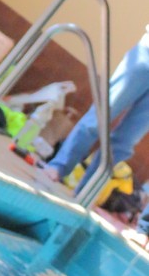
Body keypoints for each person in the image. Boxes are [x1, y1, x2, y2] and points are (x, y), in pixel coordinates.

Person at [41, 29, 149, 191]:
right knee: (100, 116)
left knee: (127, 140)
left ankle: (88, 190)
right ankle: (59, 166)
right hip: (145, 55)